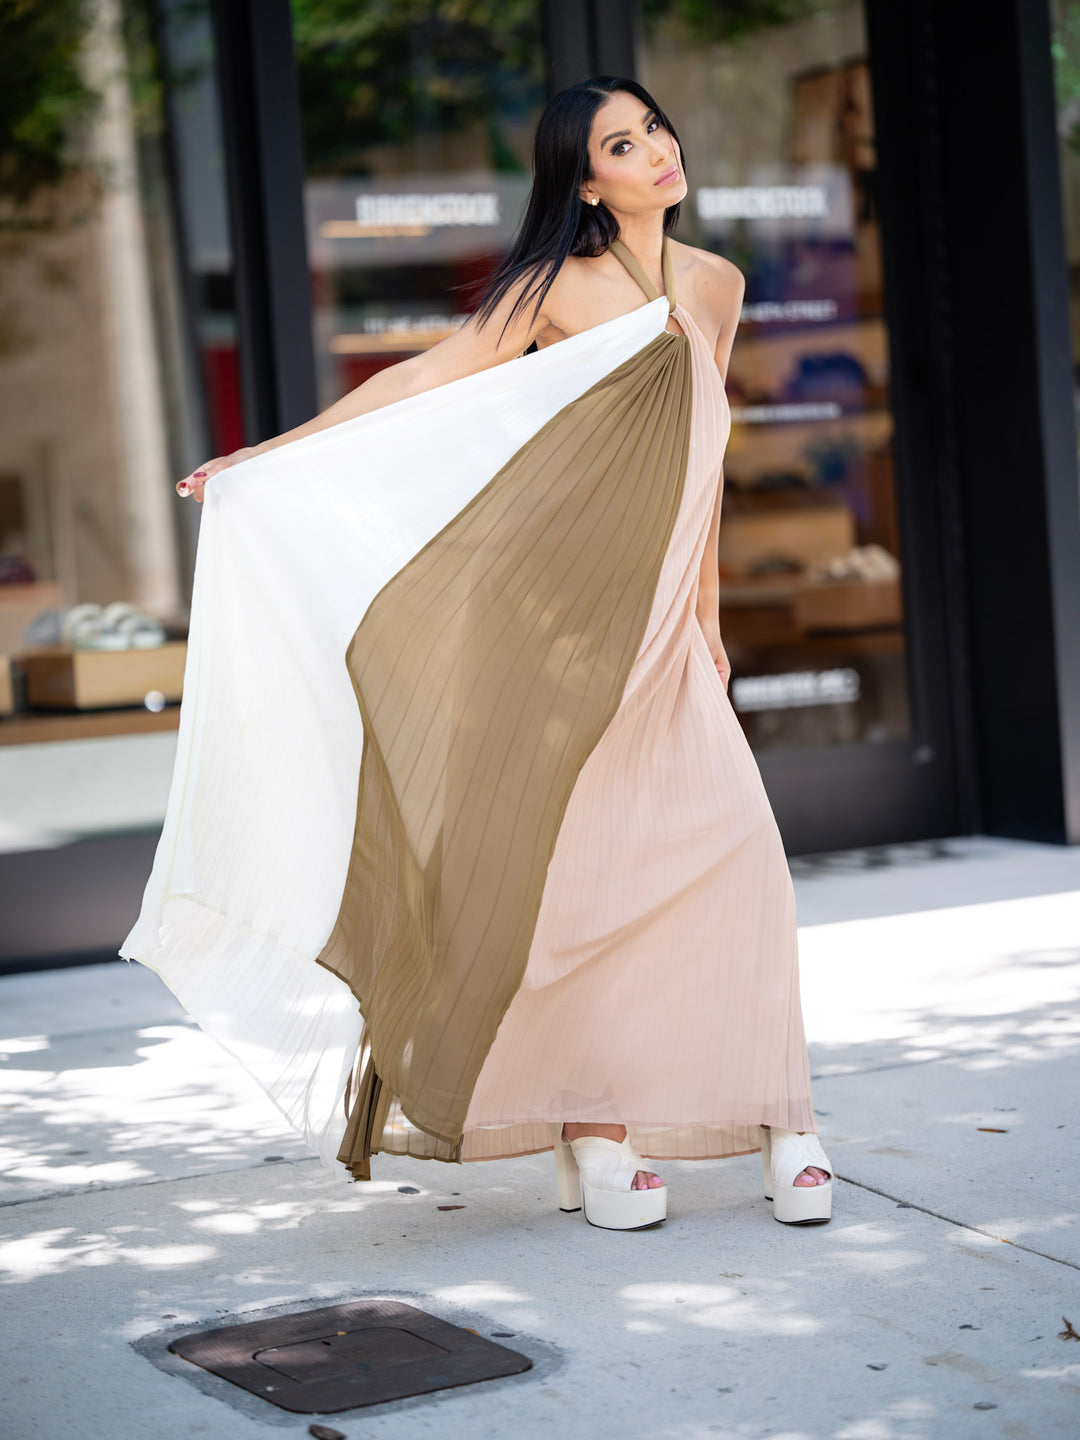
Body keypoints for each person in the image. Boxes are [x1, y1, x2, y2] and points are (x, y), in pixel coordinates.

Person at [128, 76, 832, 1233]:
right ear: (584, 180)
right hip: (561, 624)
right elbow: (423, 379)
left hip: (663, 628)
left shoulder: (717, 283)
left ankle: (784, 1114)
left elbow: (701, 464)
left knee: (739, 855)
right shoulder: (554, 288)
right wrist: (267, 454)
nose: (656, 148)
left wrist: (706, 612)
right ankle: (598, 1137)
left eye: (654, 126)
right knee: (588, 883)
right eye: (622, 142)